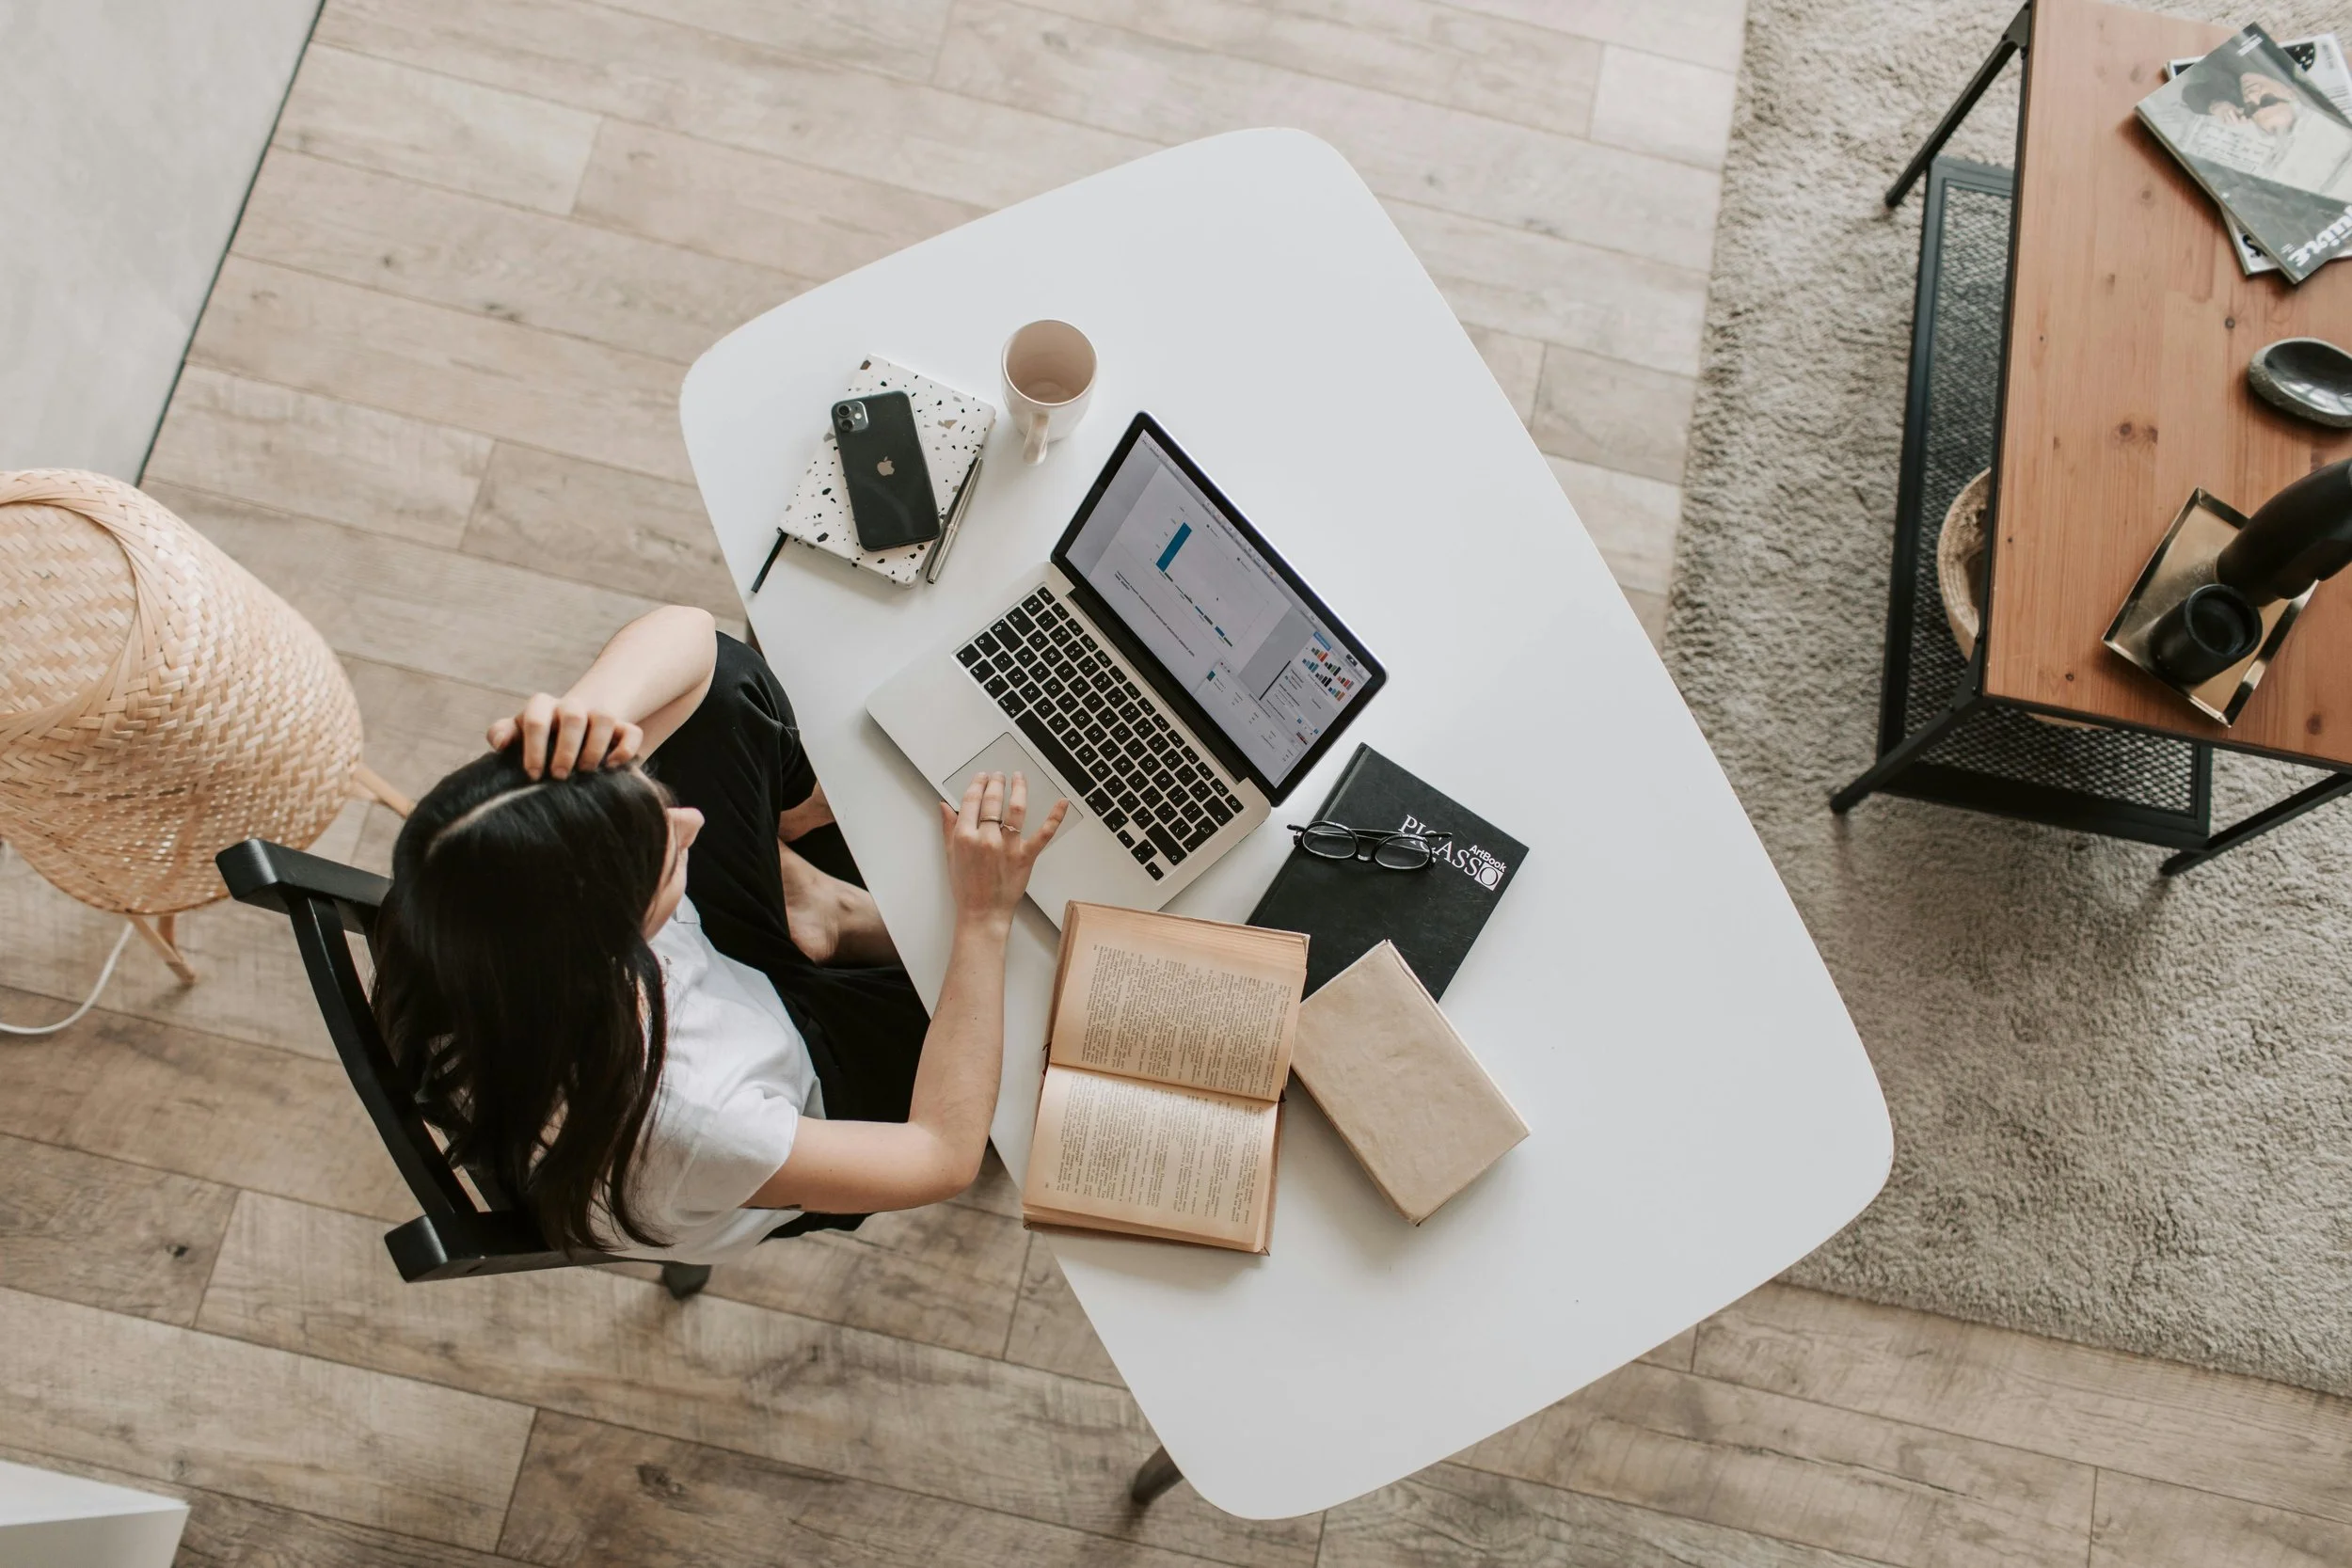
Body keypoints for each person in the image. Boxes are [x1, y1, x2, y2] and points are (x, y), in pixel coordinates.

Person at [369, 605, 1066, 1263]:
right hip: (805, 1087)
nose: (691, 823)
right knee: (1037, 1000)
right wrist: (982, 917)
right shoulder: (701, 1122)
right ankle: (835, 914)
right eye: (664, 850)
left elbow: (696, 643)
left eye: (652, 802)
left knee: (727, 688)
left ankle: (818, 909)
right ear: (616, 944)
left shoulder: (461, 892)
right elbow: (940, 1155)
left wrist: (594, 710)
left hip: (709, 990)